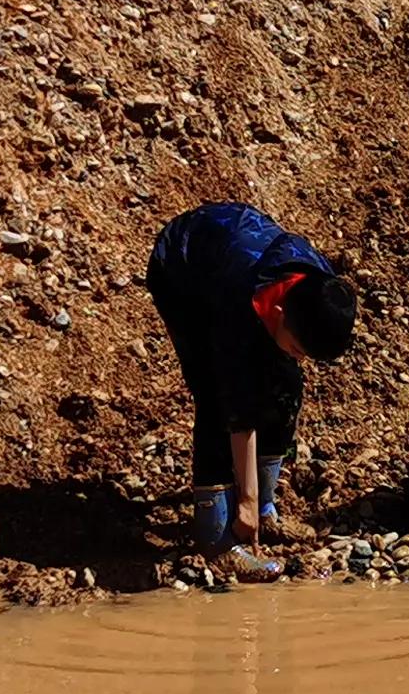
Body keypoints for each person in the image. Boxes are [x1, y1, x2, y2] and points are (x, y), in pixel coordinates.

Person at [144, 200, 357, 583]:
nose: (301, 358)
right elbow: (237, 408)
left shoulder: (317, 285)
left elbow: (281, 369)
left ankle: (264, 511)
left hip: (239, 260)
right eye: (297, 348)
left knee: (286, 384)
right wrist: (244, 498)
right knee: (214, 397)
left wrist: (256, 498)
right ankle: (216, 537)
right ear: (276, 316)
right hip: (183, 271)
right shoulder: (237, 304)